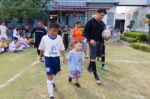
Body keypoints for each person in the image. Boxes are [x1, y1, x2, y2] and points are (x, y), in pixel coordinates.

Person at [38, 22, 66, 99]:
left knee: (55, 74)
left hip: (56, 59)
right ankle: (51, 95)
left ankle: (52, 81)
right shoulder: (44, 38)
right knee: (49, 76)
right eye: (53, 30)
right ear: (49, 30)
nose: (55, 32)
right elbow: (42, 49)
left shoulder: (59, 38)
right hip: (48, 59)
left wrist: (64, 58)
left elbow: (62, 49)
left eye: (57, 31)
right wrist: (40, 57)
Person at [83, 8, 111, 84]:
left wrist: (107, 38)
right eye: (101, 15)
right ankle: (96, 76)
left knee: (97, 56)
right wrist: (90, 39)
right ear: (97, 13)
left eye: (103, 16)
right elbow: (85, 33)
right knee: (93, 58)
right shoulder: (90, 22)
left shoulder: (103, 24)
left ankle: (89, 67)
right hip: (92, 42)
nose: (102, 17)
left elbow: (105, 35)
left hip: (100, 42)